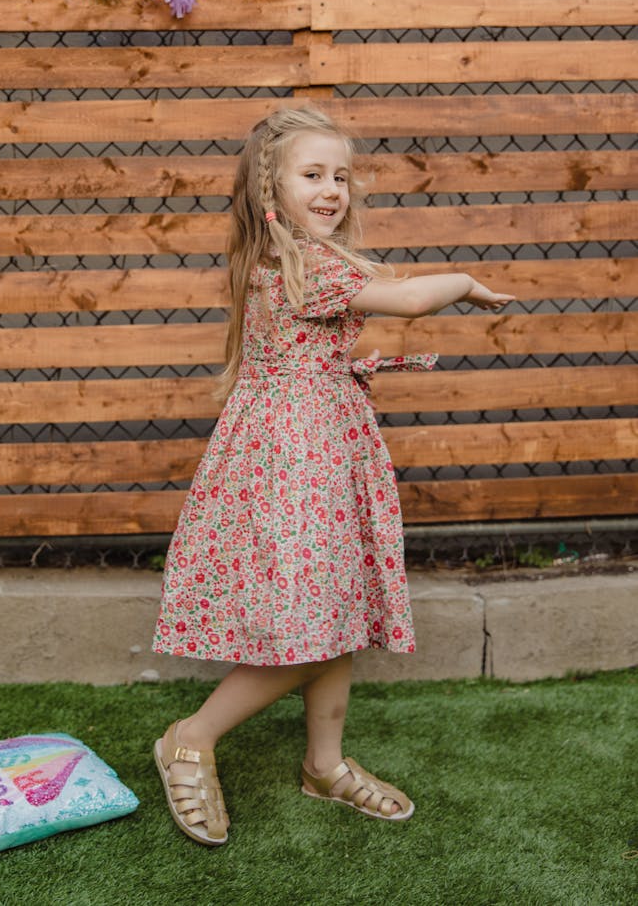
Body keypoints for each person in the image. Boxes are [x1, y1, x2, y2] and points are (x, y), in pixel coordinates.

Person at [152, 106, 514, 845]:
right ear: (269, 191)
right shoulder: (305, 265)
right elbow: (410, 298)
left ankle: (324, 763)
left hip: (319, 447)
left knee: (335, 604)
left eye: (341, 175)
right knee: (321, 619)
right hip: (296, 459)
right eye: (312, 174)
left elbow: (382, 287)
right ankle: (190, 734)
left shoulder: (308, 259)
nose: (332, 189)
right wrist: (467, 279)